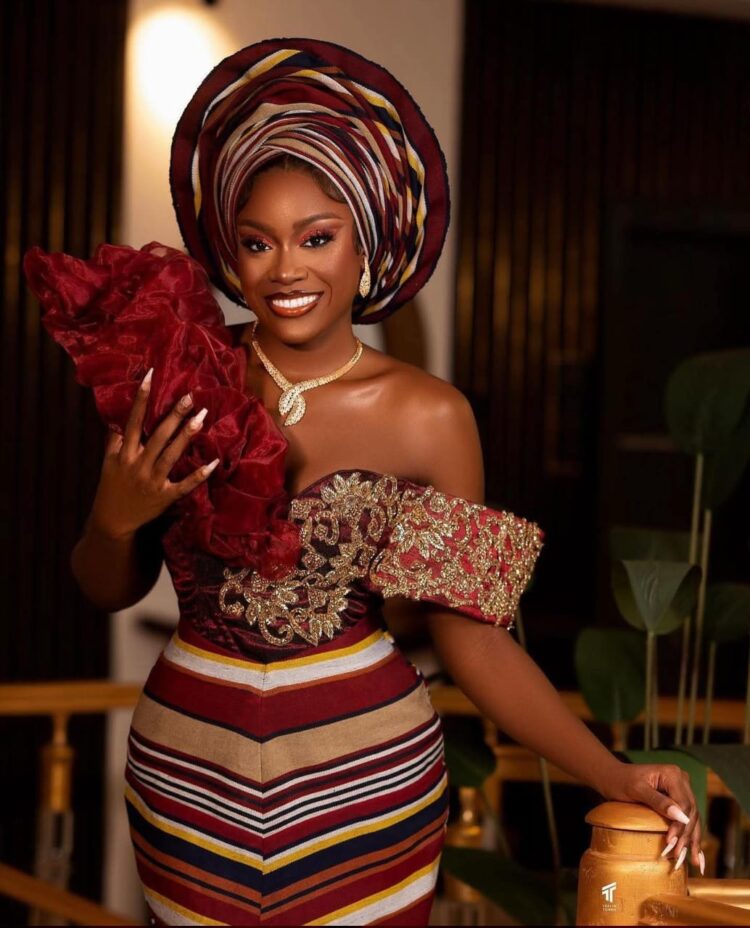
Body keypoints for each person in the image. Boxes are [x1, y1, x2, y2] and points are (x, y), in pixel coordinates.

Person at [24, 38, 703, 927]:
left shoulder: (430, 416)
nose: (287, 270)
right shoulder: (183, 373)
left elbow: (475, 639)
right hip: (186, 779)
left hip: (368, 782)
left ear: (367, 242)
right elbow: (107, 588)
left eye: (317, 237)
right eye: (258, 243)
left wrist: (611, 772)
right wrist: (114, 522)